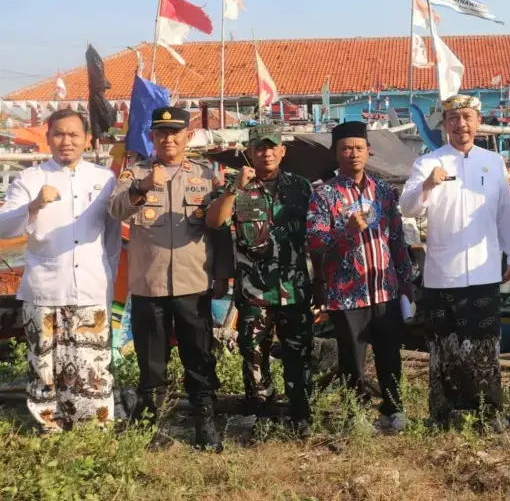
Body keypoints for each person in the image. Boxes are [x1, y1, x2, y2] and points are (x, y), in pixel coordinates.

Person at [109, 106, 231, 451]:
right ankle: (153, 429)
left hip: (193, 285)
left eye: (175, 132)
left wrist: (222, 275)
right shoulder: (134, 172)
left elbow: (220, 229)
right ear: (152, 137)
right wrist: (144, 186)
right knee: (152, 362)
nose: (169, 139)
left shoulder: (207, 176)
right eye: (161, 133)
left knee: (199, 358)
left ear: (187, 136)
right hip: (149, 286)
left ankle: (205, 425)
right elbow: (115, 210)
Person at [399, 95, 510, 428]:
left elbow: (504, 212)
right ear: (444, 124)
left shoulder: (493, 162)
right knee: (445, 346)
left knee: (484, 346)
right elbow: (408, 207)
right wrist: (427, 184)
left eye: (466, 117)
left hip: (484, 269)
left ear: (478, 121)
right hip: (443, 273)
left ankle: (488, 411)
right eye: (453, 118)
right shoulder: (430, 162)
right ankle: (445, 415)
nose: (460, 124)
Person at [0, 110, 121, 431]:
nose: (66, 141)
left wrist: (107, 281)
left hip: (91, 289)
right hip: (44, 291)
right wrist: (34, 206)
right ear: (48, 137)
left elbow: (111, 239)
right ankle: (49, 430)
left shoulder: (104, 178)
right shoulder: (30, 179)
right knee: (44, 368)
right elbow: (4, 228)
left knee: (92, 366)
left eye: (73, 135)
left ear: (87, 140)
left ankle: (93, 431)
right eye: (58, 134)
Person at [203, 125, 314, 437]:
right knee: (253, 351)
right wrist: (234, 188)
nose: (266, 153)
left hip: (294, 287)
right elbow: (215, 221)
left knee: (297, 351)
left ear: (282, 152)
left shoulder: (301, 188)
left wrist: (319, 281)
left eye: (272, 147)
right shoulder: (236, 186)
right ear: (249, 153)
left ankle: (299, 411)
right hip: (254, 288)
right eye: (259, 148)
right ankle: (260, 410)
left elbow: (316, 235)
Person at [306, 121, 415, 432]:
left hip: (385, 290)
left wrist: (406, 282)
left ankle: (394, 410)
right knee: (352, 360)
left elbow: (396, 239)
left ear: (369, 151)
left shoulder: (383, 191)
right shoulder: (324, 195)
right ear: (336, 153)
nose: (352, 153)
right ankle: (355, 415)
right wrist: (346, 231)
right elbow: (315, 243)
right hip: (346, 292)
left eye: (358, 147)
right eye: (345, 148)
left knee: (390, 357)